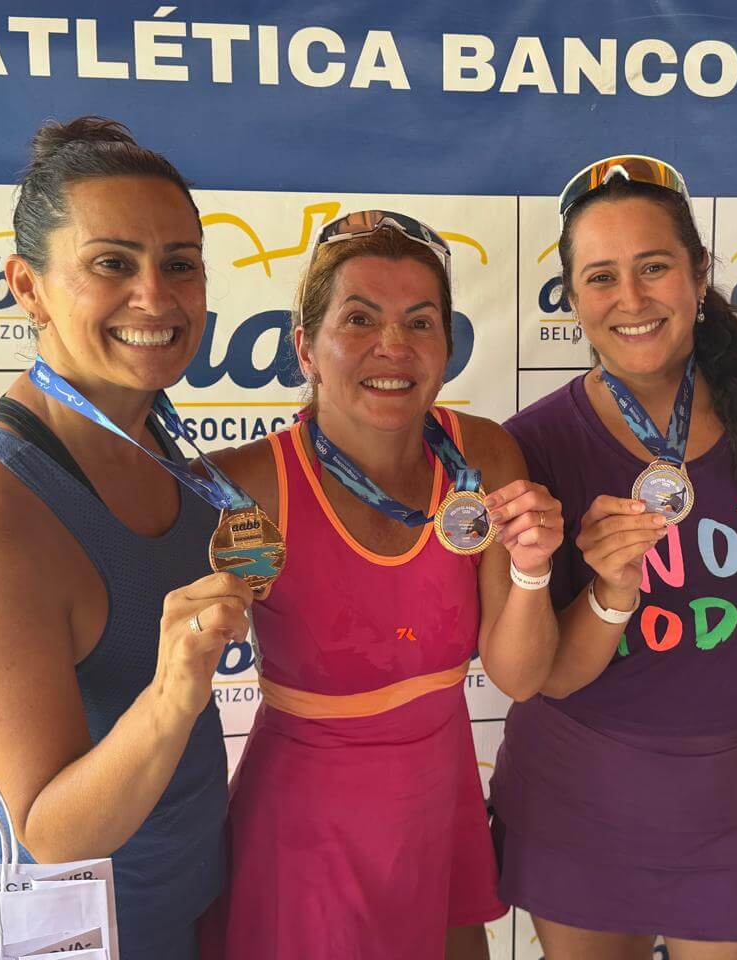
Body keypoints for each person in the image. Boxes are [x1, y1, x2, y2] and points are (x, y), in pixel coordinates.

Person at [488, 156, 737, 960]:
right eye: (601, 277)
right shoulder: (530, 446)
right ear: (573, 296)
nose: (632, 299)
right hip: (580, 805)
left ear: (699, 273)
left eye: (654, 267)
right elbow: (546, 677)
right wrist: (610, 588)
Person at [0, 117, 250, 960]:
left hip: (184, 898)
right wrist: (173, 691)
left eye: (180, 263)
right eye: (112, 263)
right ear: (27, 287)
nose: (156, 296)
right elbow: (51, 833)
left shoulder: (153, 432)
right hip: (65, 932)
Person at [198, 210, 563, 960]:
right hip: (305, 830)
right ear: (306, 346)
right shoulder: (252, 486)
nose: (393, 346)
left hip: (439, 807)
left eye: (419, 322)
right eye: (359, 319)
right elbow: (131, 612)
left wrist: (533, 567)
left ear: (447, 348)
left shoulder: (482, 456)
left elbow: (520, 676)